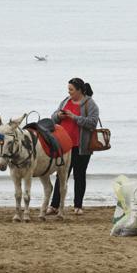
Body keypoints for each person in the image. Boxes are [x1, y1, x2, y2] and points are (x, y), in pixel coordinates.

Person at [48, 77, 100, 216]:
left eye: (71, 89)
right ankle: (54, 206)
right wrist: (59, 115)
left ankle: (78, 206)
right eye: (68, 89)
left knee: (79, 175)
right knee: (61, 176)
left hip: (82, 147)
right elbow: (53, 117)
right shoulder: (65, 101)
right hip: (64, 146)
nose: (69, 92)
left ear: (79, 90)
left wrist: (74, 117)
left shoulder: (90, 104)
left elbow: (92, 123)